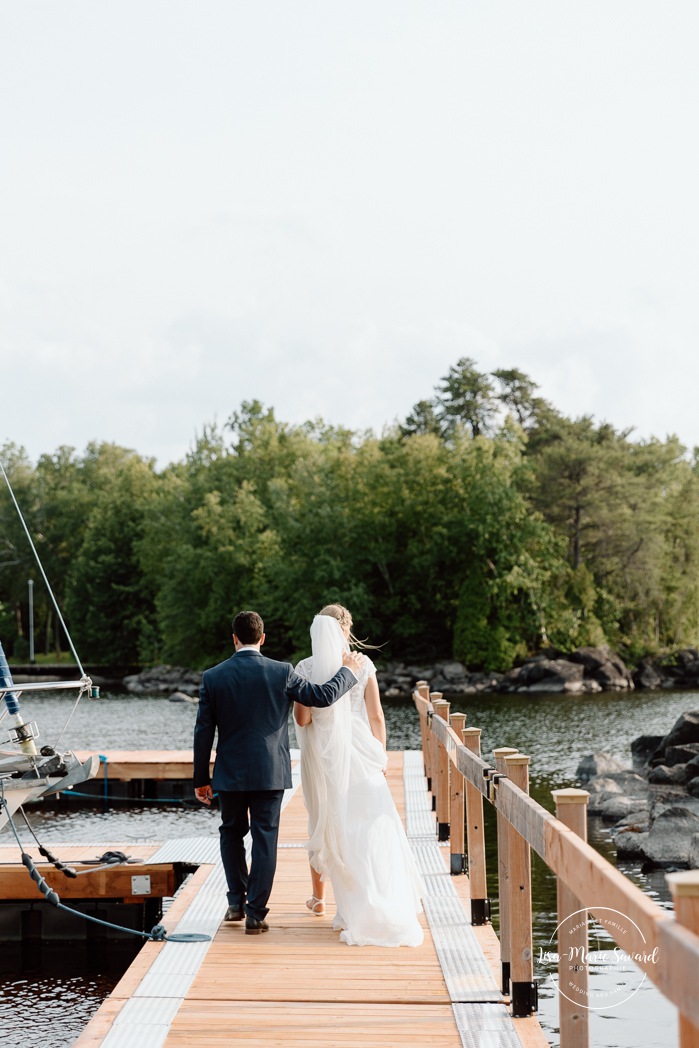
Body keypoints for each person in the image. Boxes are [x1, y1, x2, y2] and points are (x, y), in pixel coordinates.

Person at [193, 609, 364, 935]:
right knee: (264, 839)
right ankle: (256, 913)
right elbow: (322, 696)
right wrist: (347, 671)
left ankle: (235, 902)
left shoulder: (212, 677)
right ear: (263, 638)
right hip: (269, 771)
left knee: (231, 833)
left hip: (228, 773)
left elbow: (203, 732)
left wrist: (201, 779)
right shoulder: (281, 671)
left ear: (234, 639)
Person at [294, 604, 424, 947]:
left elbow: (303, 720)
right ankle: (375, 899)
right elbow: (376, 716)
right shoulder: (363, 665)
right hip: (361, 754)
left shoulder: (305, 668)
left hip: (324, 755)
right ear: (346, 632)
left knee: (325, 819)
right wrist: (380, 755)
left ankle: (325, 900)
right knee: (370, 826)